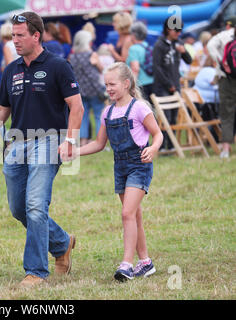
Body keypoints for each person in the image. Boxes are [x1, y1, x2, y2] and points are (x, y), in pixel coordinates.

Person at [0, 11, 84, 288]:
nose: (14, 41)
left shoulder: (58, 66)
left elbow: (77, 106)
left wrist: (69, 141)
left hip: (49, 140)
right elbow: (1, 109)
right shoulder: (11, 70)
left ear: (36, 35)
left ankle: (35, 271)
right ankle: (61, 242)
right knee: (19, 208)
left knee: (35, 205)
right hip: (17, 144)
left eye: (20, 35)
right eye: (12, 36)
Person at [77, 62, 163, 281]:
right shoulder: (108, 112)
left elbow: (158, 134)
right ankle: (145, 262)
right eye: (106, 85)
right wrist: (74, 152)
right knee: (134, 215)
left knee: (127, 214)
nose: (109, 89)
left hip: (139, 165)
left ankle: (126, 264)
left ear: (126, 83)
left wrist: (152, 148)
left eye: (112, 84)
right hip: (120, 167)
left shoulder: (140, 108)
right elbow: (98, 143)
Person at [152, 17, 192, 150]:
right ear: (168, 29)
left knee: (174, 116)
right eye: (176, 30)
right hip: (163, 86)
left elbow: (189, 61)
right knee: (165, 117)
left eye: (180, 31)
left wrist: (184, 51)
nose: (179, 33)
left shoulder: (179, 43)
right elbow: (157, 68)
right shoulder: (159, 45)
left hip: (176, 83)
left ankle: (172, 145)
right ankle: (162, 146)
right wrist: (169, 85)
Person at [69, 30, 106, 146]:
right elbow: (101, 69)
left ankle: (83, 141)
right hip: (95, 90)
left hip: (80, 90)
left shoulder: (72, 57)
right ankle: (100, 141)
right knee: (98, 115)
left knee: (83, 116)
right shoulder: (92, 55)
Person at [207, 16, 236, 158]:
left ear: (227, 25)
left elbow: (210, 46)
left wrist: (220, 62)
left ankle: (225, 149)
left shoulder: (222, 35)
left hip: (226, 79)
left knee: (226, 113)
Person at [126, 21, 154, 100]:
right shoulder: (147, 46)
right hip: (152, 82)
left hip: (141, 85)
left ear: (134, 35)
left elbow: (135, 69)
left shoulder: (133, 49)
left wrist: (132, 87)